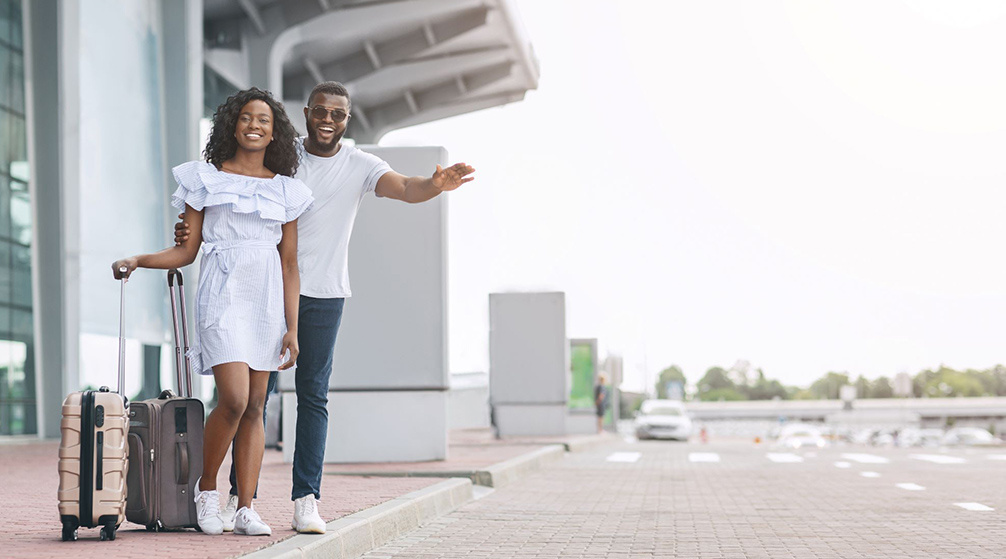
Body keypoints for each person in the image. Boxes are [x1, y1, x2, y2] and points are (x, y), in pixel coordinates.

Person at [175, 81, 475, 534]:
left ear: (346, 119)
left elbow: (406, 188)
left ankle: (305, 500)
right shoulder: (282, 156)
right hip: (266, 290)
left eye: (338, 114)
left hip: (325, 294)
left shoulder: (361, 165)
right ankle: (241, 497)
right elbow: (235, 190)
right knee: (255, 399)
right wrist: (189, 227)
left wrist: (435, 185)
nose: (328, 121)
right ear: (307, 113)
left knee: (313, 396)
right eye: (320, 111)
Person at [115, 87, 313, 536]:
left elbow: (289, 263)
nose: (255, 125)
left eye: (264, 119)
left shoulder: (287, 191)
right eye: (246, 117)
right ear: (232, 124)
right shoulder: (205, 179)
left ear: (275, 131)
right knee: (235, 399)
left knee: (256, 406)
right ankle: (206, 491)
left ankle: (245, 508)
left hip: (266, 298)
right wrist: (138, 260)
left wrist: (292, 328)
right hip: (223, 292)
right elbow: (186, 251)